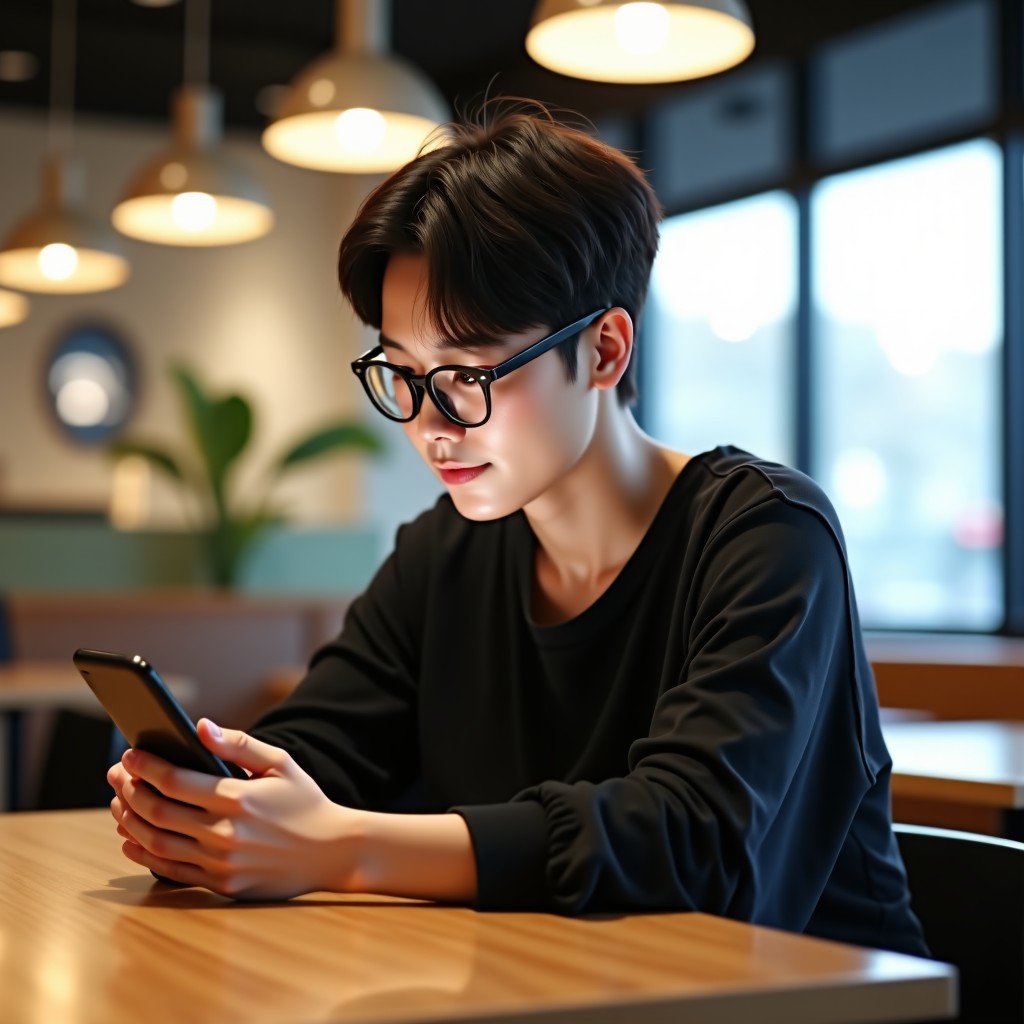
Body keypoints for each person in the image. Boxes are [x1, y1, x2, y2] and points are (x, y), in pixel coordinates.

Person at [107, 102, 927, 957]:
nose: (429, 424)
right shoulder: (447, 549)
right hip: (563, 987)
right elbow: (323, 747)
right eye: (402, 373)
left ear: (605, 351)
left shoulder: (765, 537)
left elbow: (690, 842)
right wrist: (209, 798)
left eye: (466, 373)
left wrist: (343, 847)